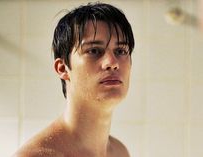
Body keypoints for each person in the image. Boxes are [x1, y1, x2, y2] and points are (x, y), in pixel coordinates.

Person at [13, 2, 134, 157]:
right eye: (94, 50)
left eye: (121, 50)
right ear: (62, 68)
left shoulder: (119, 152)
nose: (112, 62)